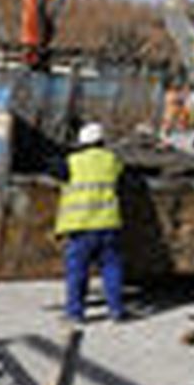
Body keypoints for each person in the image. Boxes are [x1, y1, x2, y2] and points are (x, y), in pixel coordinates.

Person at [54, 121, 127, 323]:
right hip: (108, 225)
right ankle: (116, 311)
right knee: (112, 269)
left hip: (81, 228)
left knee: (77, 272)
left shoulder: (72, 162)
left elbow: (53, 169)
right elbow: (123, 175)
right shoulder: (112, 160)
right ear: (102, 142)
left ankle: (75, 313)